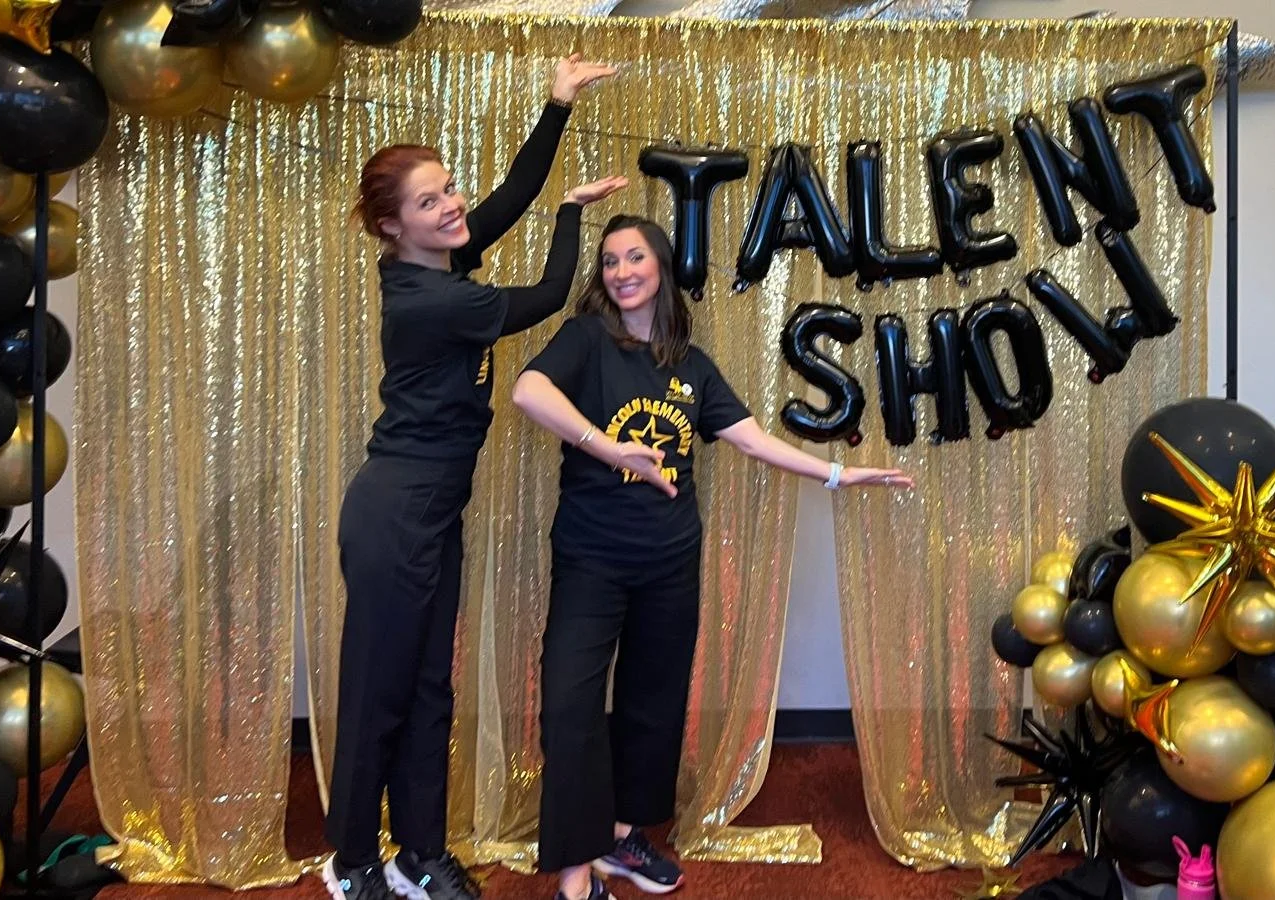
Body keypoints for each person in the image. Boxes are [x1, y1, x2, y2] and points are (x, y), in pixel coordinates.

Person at [512, 215, 914, 900]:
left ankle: (622, 837)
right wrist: (606, 447)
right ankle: (576, 875)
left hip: (669, 559)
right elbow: (528, 391)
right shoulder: (586, 341)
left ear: (661, 267)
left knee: (652, 703)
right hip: (591, 556)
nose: (621, 272)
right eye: (610, 262)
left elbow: (753, 440)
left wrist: (839, 475)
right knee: (569, 701)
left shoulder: (690, 365)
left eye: (635, 257)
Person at [322, 55, 626, 900]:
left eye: (449, 188)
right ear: (393, 226)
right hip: (395, 512)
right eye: (430, 202)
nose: (452, 205)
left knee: (429, 688)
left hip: (434, 510)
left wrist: (557, 105)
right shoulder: (433, 302)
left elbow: (508, 195)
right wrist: (572, 216)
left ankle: (420, 853)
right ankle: (352, 863)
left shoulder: (439, 264)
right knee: (378, 694)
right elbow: (551, 293)